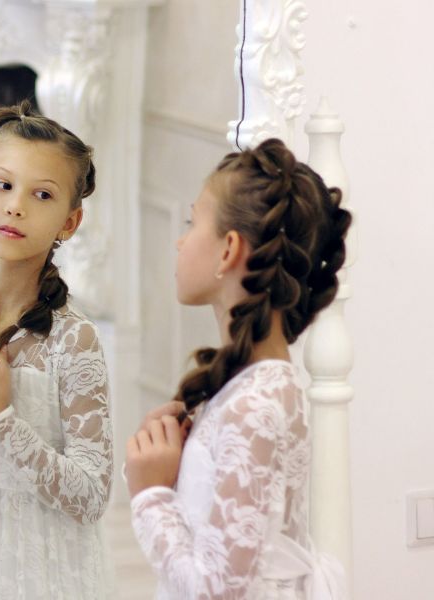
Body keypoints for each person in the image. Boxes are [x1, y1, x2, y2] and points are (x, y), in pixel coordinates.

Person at [125, 138, 351, 599]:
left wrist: (150, 494)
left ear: (229, 249)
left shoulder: (257, 403)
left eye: (192, 222)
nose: (180, 238)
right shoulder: (249, 387)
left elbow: (218, 591)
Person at [0, 101, 113, 599]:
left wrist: (0, 418)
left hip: (43, 575)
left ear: (69, 223)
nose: (15, 206)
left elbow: (91, 497)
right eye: (2, 185)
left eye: (41, 194)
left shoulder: (73, 340)